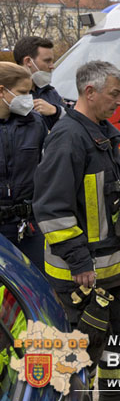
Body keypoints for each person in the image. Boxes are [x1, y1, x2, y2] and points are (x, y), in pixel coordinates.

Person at [32, 61, 120, 400]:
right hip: (84, 270)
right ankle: (75, 394)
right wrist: (79, 261)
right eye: (114, 94)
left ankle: (118, 385)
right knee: (85, 337)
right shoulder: (69, 138)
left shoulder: (98, 132)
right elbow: (51, 208)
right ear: (90, 92)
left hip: (111, 261)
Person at [0, 62, 48, 269]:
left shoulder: (35, 124)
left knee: (39, 287)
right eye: (22, 92)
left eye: (30, 92)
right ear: (2, 90)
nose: (28, 99)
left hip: (28, 226)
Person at [13, 36, 67, 129]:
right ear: (28, 61)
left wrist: (56, 111)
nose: (52, 66)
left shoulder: (49, 91)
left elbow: (73, 120)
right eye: (47, 61)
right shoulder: (10, 95)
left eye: (52, 61)